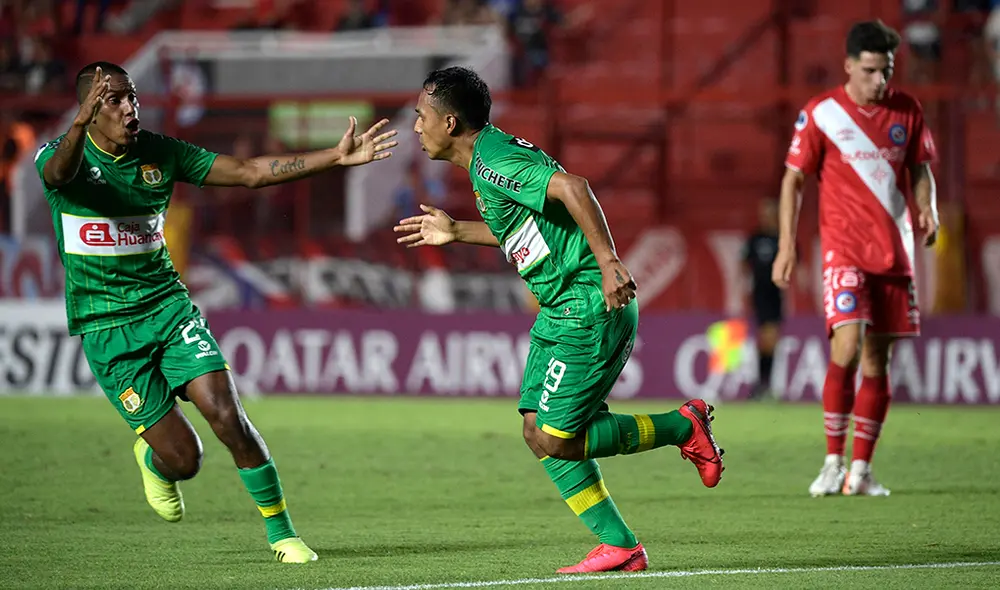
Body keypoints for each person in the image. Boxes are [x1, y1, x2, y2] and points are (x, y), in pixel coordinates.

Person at [34, 61, 397, 563]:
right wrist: (75, 124)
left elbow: (248, 173)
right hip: (107, 329)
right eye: (113, 100)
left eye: (131, 96)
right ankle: (157, 460)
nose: (129, 108)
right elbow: (57, 175)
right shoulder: (62, 158)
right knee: (186, 461)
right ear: (89, 110)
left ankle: (283, 535)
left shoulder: (161, 152)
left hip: (168, 308)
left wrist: (333, 157)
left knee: (229, 416)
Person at [394, 66, 725, 574]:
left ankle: (683, 427)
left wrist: (611, 261)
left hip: (589, 303)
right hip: (558, 309)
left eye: (421, 116)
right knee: (536, 431)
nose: (416, 126)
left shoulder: (496, 160)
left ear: (451, 123)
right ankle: (621, 547)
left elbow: (574, 188)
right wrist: (457, 230)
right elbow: (529, 231)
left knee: (556, 438)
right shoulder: (486, 165)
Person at [771, 21, 938, 497]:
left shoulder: (907, 109)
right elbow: (793, 180)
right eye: (869, 71)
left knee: (877, 359)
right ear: (848, 65)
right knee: (846, 345)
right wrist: (787, 244)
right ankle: (831, 462)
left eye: (885, 71)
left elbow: (920, 168)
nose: (879, 81)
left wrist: (929, 205)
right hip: (844, 250)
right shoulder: (822, 114)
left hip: (894, 252)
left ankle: (860, 472)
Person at [742, 198, 785, 400]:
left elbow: (795, 262)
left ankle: (764, 385)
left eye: (769, 213)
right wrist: (743, 287)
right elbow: (743, 264)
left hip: (776, 294)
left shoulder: (782, 239)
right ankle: (762, 385)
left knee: (771, 340)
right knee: (765, 339)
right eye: (764, 213)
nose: (766, 217)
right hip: (760, 294)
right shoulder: (755, 239)